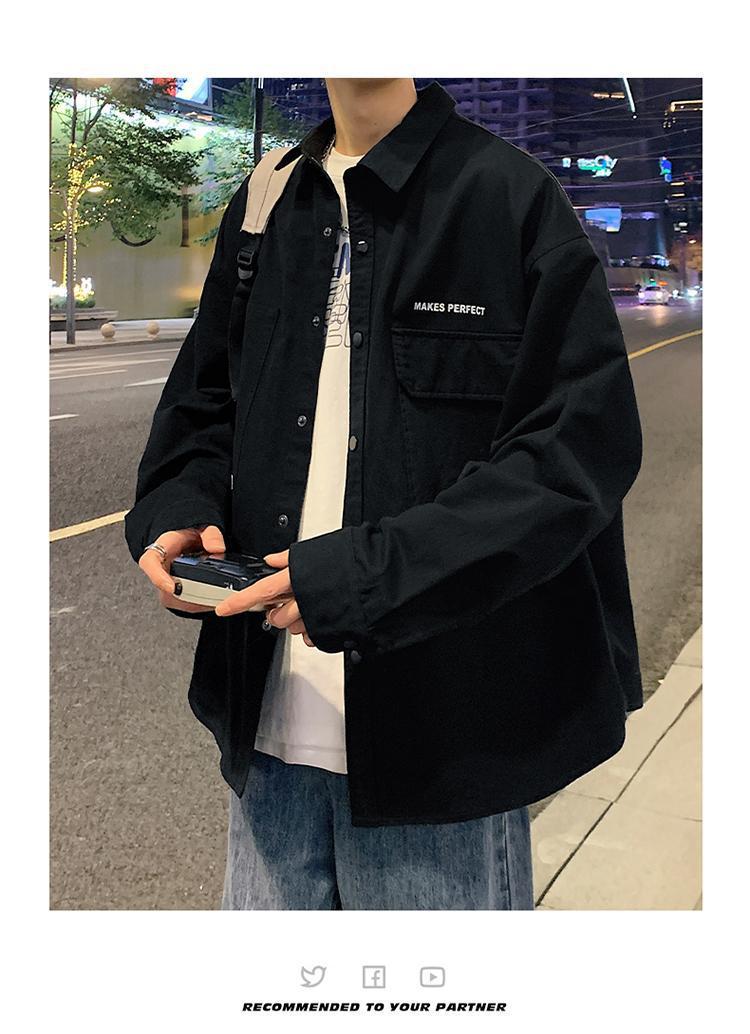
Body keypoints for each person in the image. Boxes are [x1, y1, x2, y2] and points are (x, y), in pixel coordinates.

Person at [125, 78, 643, 910]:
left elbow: (572, 457)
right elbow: (204, 401)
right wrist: (178, 511)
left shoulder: (508, 196)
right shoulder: (268, 200)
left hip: (445, 739)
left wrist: (360, 581)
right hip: (267, 728)